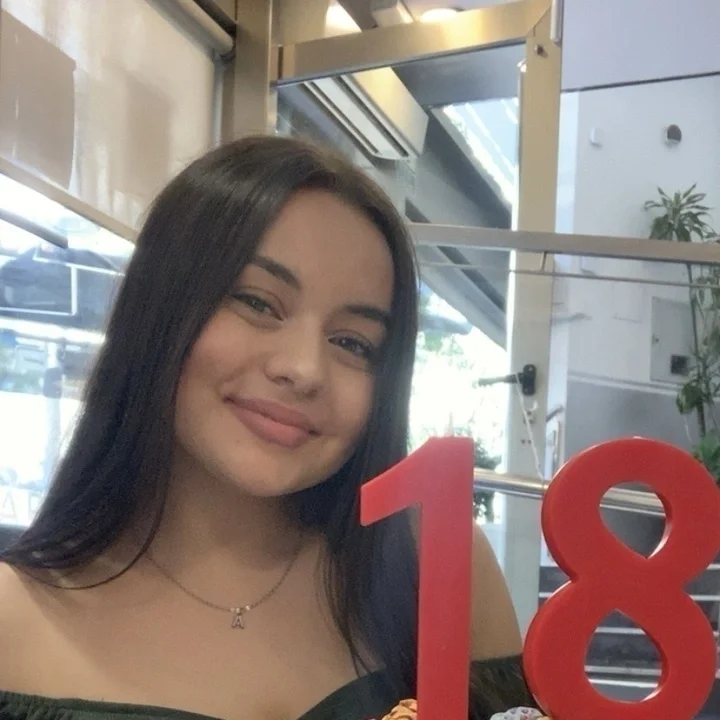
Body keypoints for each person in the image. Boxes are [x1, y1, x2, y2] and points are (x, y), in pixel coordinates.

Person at [0, 136, 535, 720]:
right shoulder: (13, 619)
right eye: (258, 303)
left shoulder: (435, 565)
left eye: (352, 342)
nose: (304, 370)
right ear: (160, 306)